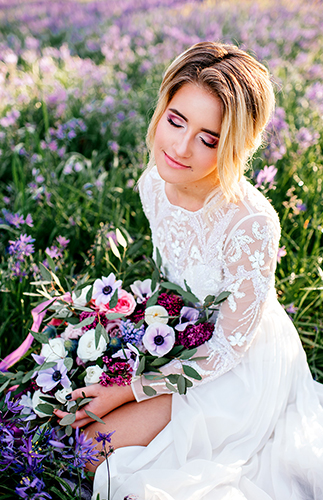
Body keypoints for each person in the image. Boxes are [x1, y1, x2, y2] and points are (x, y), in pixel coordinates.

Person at [55, 42, 323, 500]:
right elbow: (170, 281)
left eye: (209, 138)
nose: (179, 147)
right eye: (176, 120)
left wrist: (130, 388)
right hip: (182, 335)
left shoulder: (250, 222)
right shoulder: (156, 183)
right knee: (73, 436)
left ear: (236, 145)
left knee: (92, 450)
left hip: (239, 366)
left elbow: (229, 348)